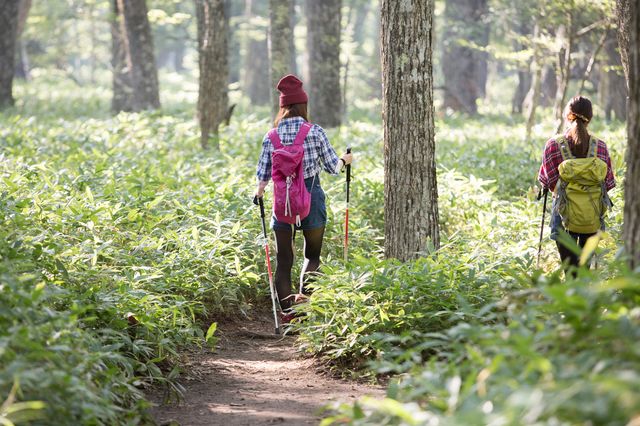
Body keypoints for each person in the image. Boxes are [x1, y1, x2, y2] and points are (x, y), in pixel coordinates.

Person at [254, 74, 353, 322]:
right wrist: (345, 160)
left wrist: (259, 192)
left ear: (283, 107)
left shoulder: (272, 136)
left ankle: (287, 313)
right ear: (303, 105)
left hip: (282, 202)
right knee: (312, 256)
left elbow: (263, 175)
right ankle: (305, 309)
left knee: (284, 260)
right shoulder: (314, 132)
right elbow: (332, 167)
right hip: (312, 198)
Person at [538, 95, 615, 274]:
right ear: (590, 118)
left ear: (567, 115)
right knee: (583, 270)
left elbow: (547, 181)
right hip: (592, 216)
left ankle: (568, 299)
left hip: (563, 216)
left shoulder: (553, 145)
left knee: (570, 270)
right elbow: (608, 183)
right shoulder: (600, 147)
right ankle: (584, 299)